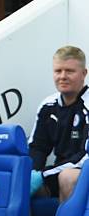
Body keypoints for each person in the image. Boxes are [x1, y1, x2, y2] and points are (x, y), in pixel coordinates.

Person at [29, 46, 89, 203]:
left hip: (82, 171)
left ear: (84, 73)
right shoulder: (48, 105)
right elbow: (37, 148)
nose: (63, 76)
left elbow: (85, 156)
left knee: (68, 177)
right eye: (58, 71)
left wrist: (42, 175)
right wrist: (32, 174)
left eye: (69, 71)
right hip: (56, 171)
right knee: (18, 182)